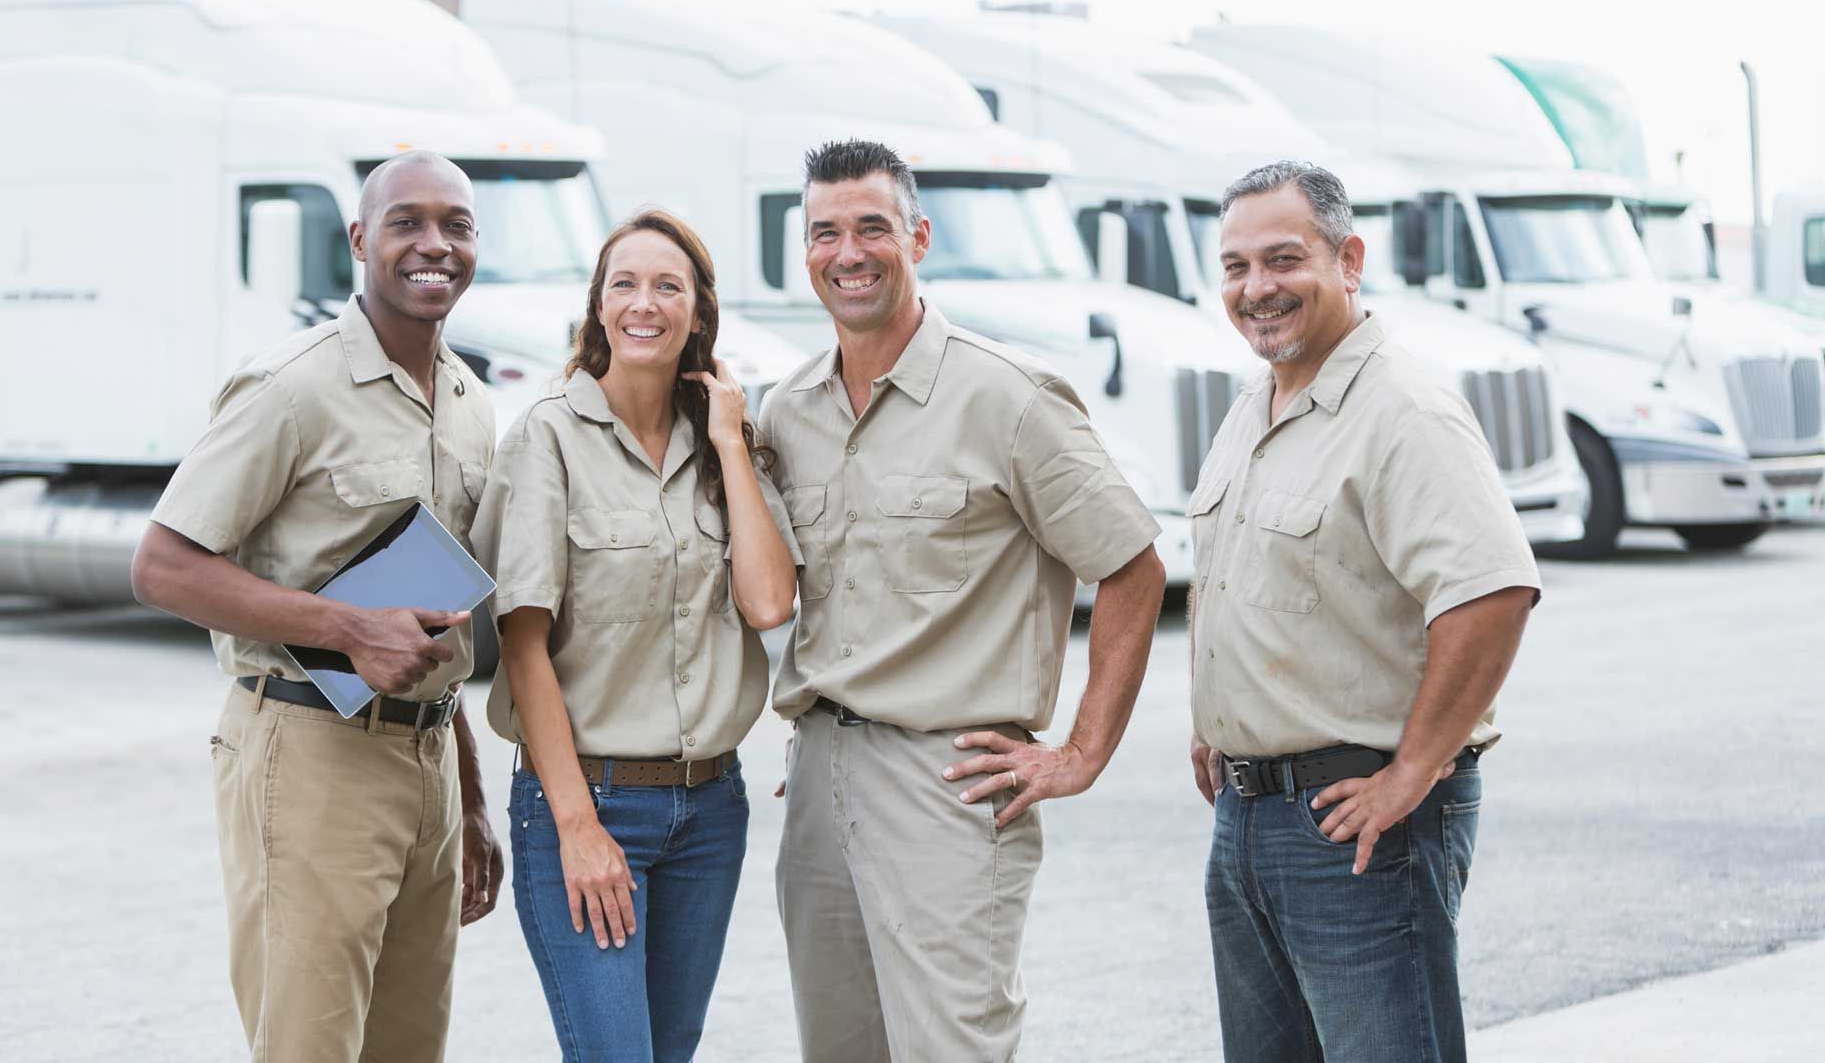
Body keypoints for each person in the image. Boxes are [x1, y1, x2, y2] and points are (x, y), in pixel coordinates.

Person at [761, 139, 1168, 1061]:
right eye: (825, 233)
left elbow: (1132, 564)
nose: (849, 253)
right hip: (819, 774)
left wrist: (1082, 752)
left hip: (949, 781)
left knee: (955, 1049)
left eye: (873, 228)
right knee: (840, 1048)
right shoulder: (789, 411)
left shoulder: (1008, 397)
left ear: (920, 237)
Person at [130, 150, 505, 1063]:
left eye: (455, 225)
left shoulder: (468, 403)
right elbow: (163, 565)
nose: (433, 245)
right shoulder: (293, 384)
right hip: (308, 755)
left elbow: (436, 619)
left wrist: (470, 799)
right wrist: (345, 628)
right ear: (359, 239)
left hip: (428, 759)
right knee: (309, 1046)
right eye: (407, 222)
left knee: (409, 1045)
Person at [1188, 160, 1541, 1063]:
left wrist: (1411, 773)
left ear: (1348, 259)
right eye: (1235, 267)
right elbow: (1240, 574)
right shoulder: (1255, 406)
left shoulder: (1402, 409)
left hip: (1355, 825)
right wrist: (1217, 720)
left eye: (1282, 259)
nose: (1257, 289)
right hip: (1250, 816)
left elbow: (1491, 591)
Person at [470, 207, 799, 1063]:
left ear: (699, 313)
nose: (644, 303)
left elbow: (769, 606)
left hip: (711, 811)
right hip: (589, 802)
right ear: (598, 307)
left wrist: (729, 440)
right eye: (624, 284)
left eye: (668, 286)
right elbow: (522, 645)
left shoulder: (725, 442)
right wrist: (579, 828)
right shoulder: (547, 437)